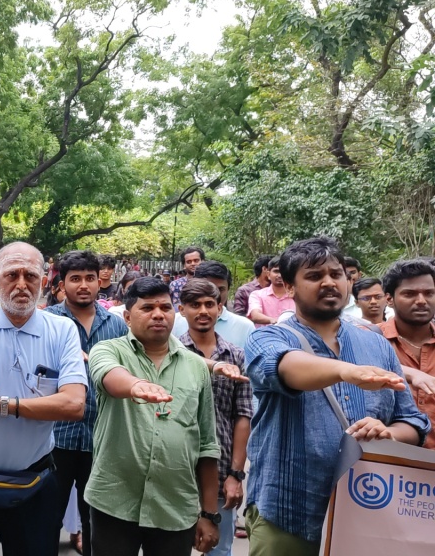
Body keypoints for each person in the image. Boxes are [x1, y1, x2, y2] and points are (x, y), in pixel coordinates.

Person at [244, 237, 430, 555]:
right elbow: (286, 367)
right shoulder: (267, 337)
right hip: (288, 513)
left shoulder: (375, 344)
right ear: (289, 287)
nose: (329, 282)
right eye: (314, 276)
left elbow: (413, 422)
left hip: (366, 516)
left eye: (336, 273)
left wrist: (387, 434)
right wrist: (347, 371)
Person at [0, 242, 87, 556]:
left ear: (44, 280)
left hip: (35, 485)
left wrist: (4, 405)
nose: (21, 284)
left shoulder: (62, 330)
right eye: (11, 275)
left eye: (30, 276)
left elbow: (75, 404)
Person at [87, 277, 221, 556]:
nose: (158, 314)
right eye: (147, 308)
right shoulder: (109, 350)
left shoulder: (196, 367)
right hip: (114, 499)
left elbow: (207, 443)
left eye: (165, 307)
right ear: (127, 316)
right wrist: (135, 385)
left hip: (175, 504)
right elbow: (109, 376)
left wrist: (209, 513)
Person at [45, 250, 128, 556]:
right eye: (75, 279)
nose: (83, 285)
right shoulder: (47, 321)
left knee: (98, 520)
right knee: (47, 519)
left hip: (101, 438)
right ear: (62, 283)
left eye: (90, 278)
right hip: (56, 436)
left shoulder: (116, 326)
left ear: (99, 282)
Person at [178, 279, 253, 556]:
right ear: (182, 309)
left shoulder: (236, 355)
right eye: (194, 305)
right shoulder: (171, 352)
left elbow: (243, 415)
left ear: (220, 309)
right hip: (177, 470)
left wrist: (236, 473)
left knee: (220, 550)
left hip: (222, 469)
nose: (203, 311)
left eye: (210, 304)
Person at [378, 259, 435, 450]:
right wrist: (410, 374)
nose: (421, 301)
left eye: (429, 293)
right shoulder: (367, 339)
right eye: (409, 294)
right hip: (384, 467)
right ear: (389, 299)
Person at [171, 261, 256, 349]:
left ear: (228, 290)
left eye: (221, 289)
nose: (215, 295)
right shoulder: (173, 323)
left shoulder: (245, 327)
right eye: (209, 289)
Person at [247, 257, 294, 327]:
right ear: (268, 275)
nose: (280, 275)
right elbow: (255, 315)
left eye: (283, 272)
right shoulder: (257, 295)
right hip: (264, 336)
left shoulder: (297, 295)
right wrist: (274, 320)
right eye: (276, 271)